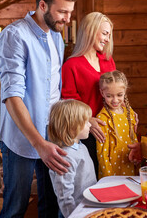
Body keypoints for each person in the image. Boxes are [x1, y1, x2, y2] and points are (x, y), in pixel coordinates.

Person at [0, 0, 76, 217]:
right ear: (42, 6)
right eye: (62, 12)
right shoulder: (14, 37)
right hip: (21, 138)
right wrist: (40, 144)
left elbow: (53, 90)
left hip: (52, 132)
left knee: (50, 205)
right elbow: (12, 96)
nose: (67, 19)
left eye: (69, 13)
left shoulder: (57, 35)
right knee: (15, 209)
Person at [61, 12, 116, 174]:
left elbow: (116, 91)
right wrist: (89, 121)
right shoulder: (71, 65)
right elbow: (69, 102)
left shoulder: (108, 60)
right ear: (90, 30)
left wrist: (127, 112)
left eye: (109, 35)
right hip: (86, 133)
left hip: (110, 129)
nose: (107, 39)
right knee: (92, 177)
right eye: (105, 33)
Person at [48, 99, 97, 218]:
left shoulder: (81, 146)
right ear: (72, 127)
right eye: (86, 122)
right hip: (74, 211)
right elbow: (64, 194)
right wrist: (72, 215)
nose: (90, 125)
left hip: (86, 205)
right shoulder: (66, 156)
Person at [96, 70, 138, 178]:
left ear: (125, 92)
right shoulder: (102, 118)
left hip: (130, 167)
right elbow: (102, 154)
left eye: (119, 95)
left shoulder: (130, 113)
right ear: (102, 93)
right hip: (111, 172)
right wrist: (108, 178)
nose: (115, 100)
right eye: (109, 96)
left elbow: (134, 140)